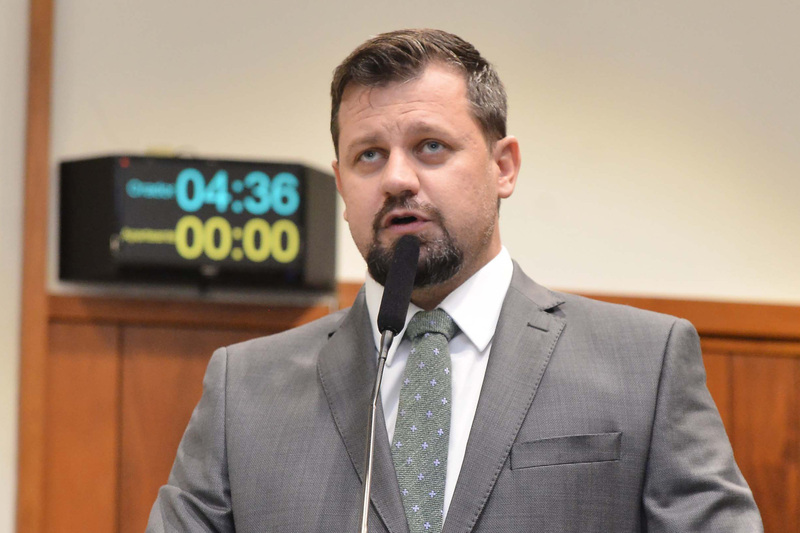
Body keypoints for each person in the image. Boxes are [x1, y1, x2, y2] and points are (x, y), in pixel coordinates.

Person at [148, 29, 762, 532]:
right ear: (342, 186)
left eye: (431, 146)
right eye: (368, 155)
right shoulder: (243, 391)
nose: (397, 179)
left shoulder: (644, 363)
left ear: (503, 167)